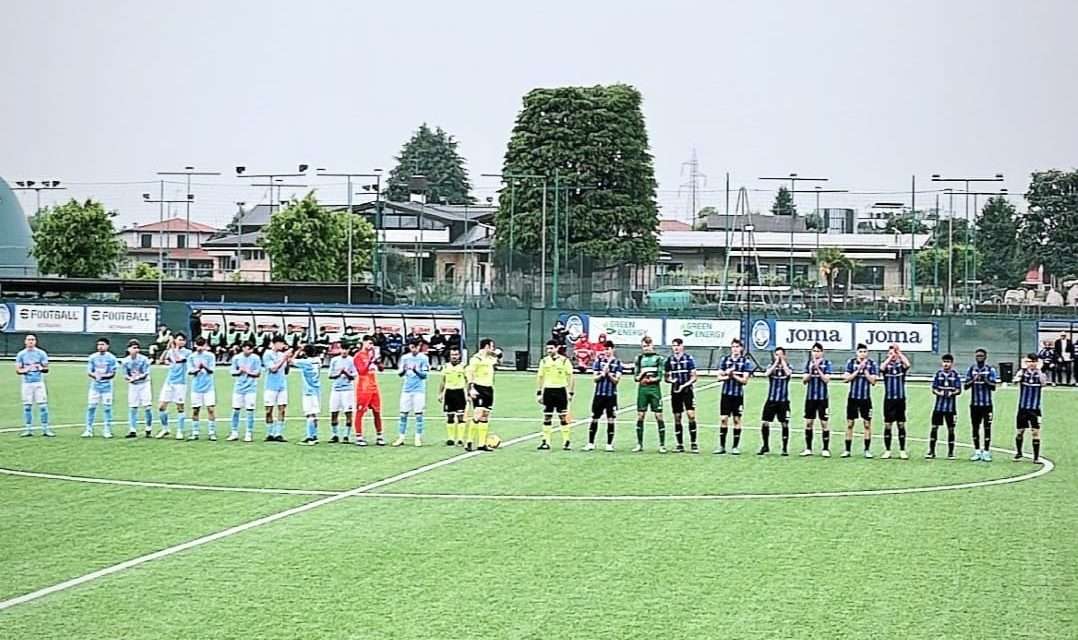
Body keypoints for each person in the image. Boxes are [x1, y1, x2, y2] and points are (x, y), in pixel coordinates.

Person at [715, 338, 755, 455]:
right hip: (726, 394)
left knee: (737, 420)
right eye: (733, 347)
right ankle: (722, 446)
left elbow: (744, 380)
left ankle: (735, 446)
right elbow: (719, 377)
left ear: (741, 349)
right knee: (723, 419)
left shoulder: (745, 362)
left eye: (737, 347)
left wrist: (733, 375)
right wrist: (727, 375)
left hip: (737, 395)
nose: (735, 349)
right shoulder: (725, 360)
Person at [536, 339, 576, 451]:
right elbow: (540, 377)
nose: (549, 350)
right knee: (547, 416)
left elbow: (571, 376)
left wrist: (571, 392)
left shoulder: (564, 361)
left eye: (551, 348)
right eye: (548, 348)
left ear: (557, 348)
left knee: (563, 416)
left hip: (561, 391)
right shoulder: (544, 361)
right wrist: (539, 392)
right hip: (548, 391)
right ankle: (545, 441)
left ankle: (566, 441)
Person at [842, 343, 878, 458]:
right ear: (857, 352)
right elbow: (846, 379)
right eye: (860, 351)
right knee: (850, 424)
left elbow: (873, 381)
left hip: (865, 399)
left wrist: (865, 371)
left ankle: (867, 450)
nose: (862, 354)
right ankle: (847, 450)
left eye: (864, 352)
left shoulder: (872, 364)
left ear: (867, 353)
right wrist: (857, 371)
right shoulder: (851, 363)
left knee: (867, 424)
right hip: (853, 398)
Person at [664, 337, 699, 453]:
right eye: (674, 346)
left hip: (687, 391)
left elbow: (694, 377)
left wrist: (684, 385)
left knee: (691, 415)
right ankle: (679, 444)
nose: (676, 348)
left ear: (682, 346)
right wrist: (671, 381)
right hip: (675, 392)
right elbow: (667, 377)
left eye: (678, 346)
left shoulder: (689, 359)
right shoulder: (669, 361)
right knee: (677, 417)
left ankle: (694, 443)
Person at [632, 336, 667, 453]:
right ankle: (639, 444)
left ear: (652, 345)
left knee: (659, 416)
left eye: (648, 345)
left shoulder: (658, 359)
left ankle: (662, 445)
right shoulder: (639, 358)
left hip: (654, 390)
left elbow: (660, 376)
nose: (646, 348)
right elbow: (635, 378)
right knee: (640, 416)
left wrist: (650, 380)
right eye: (644, 346)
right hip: (642, 390)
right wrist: (642, 375)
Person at [586, 340, 622, 452]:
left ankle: (609, 444)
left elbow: (616, 381)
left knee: (611, 418)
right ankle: (591, 443)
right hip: (599, 394)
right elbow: (595, 379)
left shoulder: (617, 363)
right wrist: (602, 374)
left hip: (611, 395)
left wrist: (609, 374)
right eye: (605, 349)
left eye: (608, 349)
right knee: (595, 417)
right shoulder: (599, 362)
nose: (606, 351)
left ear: (613, 349)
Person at [964, 348, 999, 461]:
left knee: (987, 427)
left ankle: (987, 451)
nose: (979, 358)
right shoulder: (971, 369)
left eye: (981, 356)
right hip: (974, 405)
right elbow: (966, 386)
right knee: (975, 428)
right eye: (977, 356)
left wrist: (985, 380)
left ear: (985, 357)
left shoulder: (990, 370)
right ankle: (977, 451)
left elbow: (993, 387)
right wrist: (974, 379)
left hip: (987, 405)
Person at [394, 340, 430, 447]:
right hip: (407, 390)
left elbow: (424, 375)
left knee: (419, 414)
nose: (414, 349)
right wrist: (404, 371)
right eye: (412, 347)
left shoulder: (424, 358)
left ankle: (418, 437)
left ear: (419, 347)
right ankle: (401, 437)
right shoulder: (405, 358)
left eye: (416, 347)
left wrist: (416, 371)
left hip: (419, 390)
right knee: (403, 414)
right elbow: (400, 374)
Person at [15, 334, 52, 437]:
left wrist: (39, 368)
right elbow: (18, 370)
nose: (31, 341)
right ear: (25, 342)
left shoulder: (41, 353)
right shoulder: (21, 354)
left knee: (43, 406)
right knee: (27, 407)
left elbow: (46, 368)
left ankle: (45, 429)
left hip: (39, 383)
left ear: (35, 341)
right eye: (29, 340)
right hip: (27, 384)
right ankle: (28, 429)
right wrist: (25, 370)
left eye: (32, 340)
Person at [800, 342, 833, 457]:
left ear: (822, 352)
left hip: (822, 398)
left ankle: (825, 449)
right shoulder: (808, 364)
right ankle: (808, 448)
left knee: (824, 423)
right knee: (809, 423)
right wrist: (810, 371)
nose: (816, 353)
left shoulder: (827, 364)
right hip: (810, 398)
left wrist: (818, 369)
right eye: (814, 351)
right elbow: (804, 381)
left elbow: (826, 380)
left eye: (818, 351)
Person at [465, 338, 498, 452]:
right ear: (487, 347)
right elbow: (469, 373)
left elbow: (498, 360)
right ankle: (469, 441)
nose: (493, 349)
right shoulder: (476, 359)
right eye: (492, 347)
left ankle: (482, 443)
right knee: (478, 414)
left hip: (489, 388)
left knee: (485, 415)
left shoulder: (490, 359)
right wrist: (471, 388)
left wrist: (496, 354)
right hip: (479, 387)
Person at [156, 333, 191, 439]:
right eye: (179, 339)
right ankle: (165, 428)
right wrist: (167, 349)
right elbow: (160, 361)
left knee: (180, 407)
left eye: (183, 340)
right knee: (161, 406)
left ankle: (180, 430)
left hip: (180, 383)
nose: (181, 342)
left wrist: (172, 348)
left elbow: (178, 360)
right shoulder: (171, 351)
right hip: (169, 382)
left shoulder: (188, 353)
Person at [1014, 353, 1047, 463]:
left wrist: (1039, 370)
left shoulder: (1040, 374)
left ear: (1037, 362)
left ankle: (1036, 457)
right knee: (1020, 431)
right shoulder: (1022, 372)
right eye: (1029, 362)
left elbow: (1044, 383)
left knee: (1035, 432)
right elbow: (1015, 381)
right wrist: (1020, 375)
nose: (1031, 364)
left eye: (1033, 362)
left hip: (1035, 409)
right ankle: (1019, 453)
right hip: (1022, 408)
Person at [880, 343, 911, 460]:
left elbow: (908, 364)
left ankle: (902, 450)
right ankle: (887, 450)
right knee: (888, 425)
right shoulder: (886, 367)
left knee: (901, 424)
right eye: (890, 353)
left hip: (900, 399)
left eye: (894, 353)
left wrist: (899, 353)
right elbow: (881, 368)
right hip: (889, 400)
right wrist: (890, 356)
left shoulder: (900, 367)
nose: (893, 355)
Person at [353, 335, 385, 446]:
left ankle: (380, 435)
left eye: (372, 344)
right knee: (360, 411)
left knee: (377, 412)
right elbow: (361, 371)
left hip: (373, 386)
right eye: (369, 343)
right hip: (363, 386)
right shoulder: (358, 356)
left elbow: (381, 369)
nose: (371, 346)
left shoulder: (372, 355)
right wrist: (371, 360)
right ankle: (359, 436)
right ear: (364, 342)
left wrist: (378, 361)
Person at [759, 347, 792, 456]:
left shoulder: (788, 366)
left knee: (784, 423)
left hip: (783, 401)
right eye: (776, 355)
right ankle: (765, 445)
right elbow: (767, 374)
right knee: (765, 422)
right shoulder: (771, 366)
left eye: (780, 355)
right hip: (771, 400)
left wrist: (782, 362)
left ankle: (784, 448)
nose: (778, 357)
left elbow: (788, 373)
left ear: (784, 355)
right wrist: (776, 363)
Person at [928, 353, 962, 459]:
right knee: (934, 428)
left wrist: (952, 393)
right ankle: (931, 451)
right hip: (938, 407)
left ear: (952, 363)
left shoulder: (955, 375)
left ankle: (951, 453)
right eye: (944, 362)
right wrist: (939, 393)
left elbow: (959, 390)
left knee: (951, 429)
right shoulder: (938, 374)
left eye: (948, 362)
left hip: (950, 408)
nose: (946, 364)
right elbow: (933, 388)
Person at [83, 337, 118, 438]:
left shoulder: (111, 358)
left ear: (107, 346)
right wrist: (94, 376)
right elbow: (89, 371)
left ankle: (107, 430)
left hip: (107, 387)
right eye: (99, 345)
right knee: (91, 407)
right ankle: (88, 429)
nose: (100, 347)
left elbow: (112, 373)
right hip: (95, 387)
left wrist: (103, 376)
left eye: (102, 345)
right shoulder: (93, 357)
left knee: (107, 408)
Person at [229, 341, 261, 442]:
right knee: (235, 410)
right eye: (246, 348)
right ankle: (234, 432)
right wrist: (239, 371)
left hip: (251, 388)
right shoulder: (237, 358)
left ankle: (249, 432)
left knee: (250, 410)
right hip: (239, 388)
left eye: (250, 349)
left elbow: (258, 373)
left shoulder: (256, 358)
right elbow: (232, 372)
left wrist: (248, 372)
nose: (248, 350)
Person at [262, 336, 292, 442]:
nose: (282, 345)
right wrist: (284, 358)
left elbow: (286, 371)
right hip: (271, 386)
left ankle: (278, 433)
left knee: (282, 409)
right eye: (280, 343)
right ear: (274, 343)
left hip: (282, 386)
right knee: (268, 410)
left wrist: (287, 361)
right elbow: (273, 369)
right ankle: (270, 433)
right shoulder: (267, 354)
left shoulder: (282, 355)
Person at [187, 336, 218, 440]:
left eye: (202, 345)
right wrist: (197, 369)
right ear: (195, 345)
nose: (200, 347)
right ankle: (195, 432)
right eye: (198, 345)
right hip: (196, 388)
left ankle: (211, 432)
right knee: (195, 410)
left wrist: (204, 367)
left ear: (205, 345)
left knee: (211, 409)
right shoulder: (192, 357)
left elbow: (212, 370)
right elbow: (190, 371)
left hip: (208, 387)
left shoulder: (210, 356)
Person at [122, 339, 153, 438]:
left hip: (144, 384)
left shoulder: (143, 359)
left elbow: (145, 373)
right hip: (133, 385)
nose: (136, 350)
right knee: (133, 407)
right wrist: (130, 378)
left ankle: (148, 428)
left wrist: (137, 377)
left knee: (147, 406)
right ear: (129, 349)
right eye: (134, 348)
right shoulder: (125, 361)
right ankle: (132, 429)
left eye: (137, 348)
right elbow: (125, 374)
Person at [327, 340, 358, 444]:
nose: (344, 351)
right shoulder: (335, 360)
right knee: (334, 412)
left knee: (348, 413)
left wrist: (346, 373)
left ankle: (346, 436)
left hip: (347, 390)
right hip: (336, 390)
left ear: (349, 350)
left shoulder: (352, 360)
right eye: (342, 349)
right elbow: (330, 375)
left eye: (346, 349)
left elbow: (353, 376)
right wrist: (339, 373)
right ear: (339, 349)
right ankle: (334, 435)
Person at [438, 347, 468, 446]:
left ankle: (460, 439)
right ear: (450, 356)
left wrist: (468, 393)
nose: (454, 357)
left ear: (459, 356)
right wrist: (440, 393)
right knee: (450, 416)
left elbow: (468, 381)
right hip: (449, 393)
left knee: (460, 416)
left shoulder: (463, 367)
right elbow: (443, 381)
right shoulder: (446, 367)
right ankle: (450, 438)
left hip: (459, 393)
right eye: (452, 355)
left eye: (456, 355)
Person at [295, 345, 323, 445]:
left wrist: (298, 350)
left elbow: (291, 361)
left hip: (308, 391)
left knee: (309, 414)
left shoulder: (305, 362)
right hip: (317, 390)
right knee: (314, 414)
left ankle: (310, 437)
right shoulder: (318, 360)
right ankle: (314, 436)